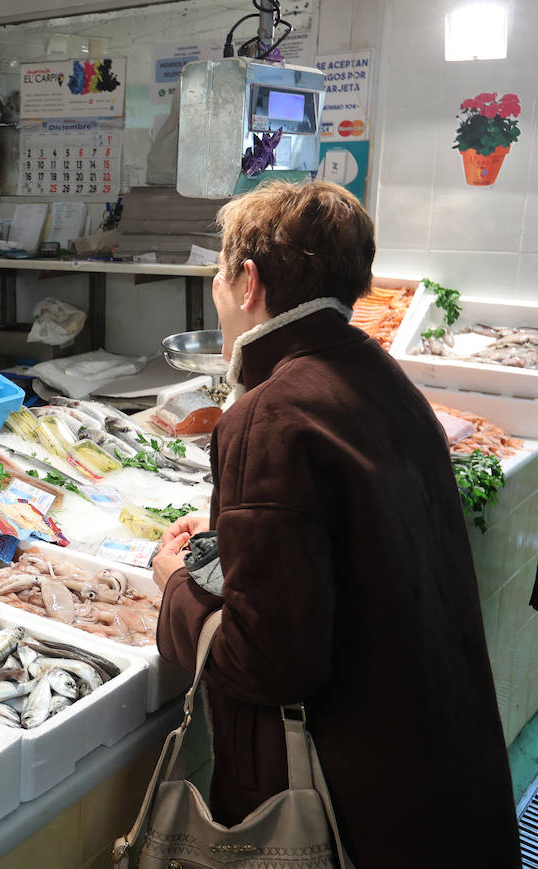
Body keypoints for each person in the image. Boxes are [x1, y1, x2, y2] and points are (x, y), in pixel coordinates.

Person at [149, 180, 518, 866]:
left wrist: (175, 585)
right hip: (447, 787)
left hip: (358, 820)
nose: (220, 294)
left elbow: (267, 662)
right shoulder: (385, 377)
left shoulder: (269, 413)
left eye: (220, 276)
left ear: (249, 282)